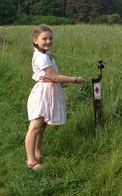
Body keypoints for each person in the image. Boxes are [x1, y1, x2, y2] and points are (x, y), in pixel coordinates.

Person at [24, 24, 86, 170]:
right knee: (35, 126)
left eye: (50, 38)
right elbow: (53, 76)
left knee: (42, 126)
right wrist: (74, 79)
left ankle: (38, 154)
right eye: (44, 38)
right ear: (35, 40)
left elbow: (48, 76)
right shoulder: (42, 57)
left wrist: (59, 83)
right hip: (42, 94)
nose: (48, 41)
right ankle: (31, 160)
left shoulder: (43, 55)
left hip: (48, 91)